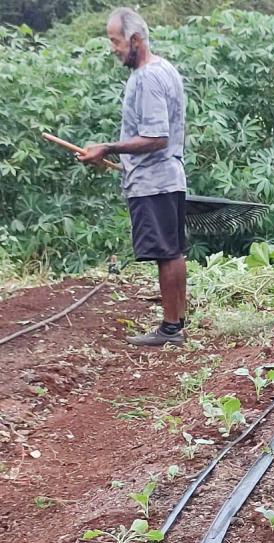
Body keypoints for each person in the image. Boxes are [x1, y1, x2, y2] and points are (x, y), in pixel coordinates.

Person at [79, 7, 188, 346]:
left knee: (166, 252)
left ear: (135, 40)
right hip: (164, 178)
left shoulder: (148, 78)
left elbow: (157, 137)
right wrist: (112, 155)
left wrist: (108, 148)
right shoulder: (164, 69)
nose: (113, 48)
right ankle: (176, 322)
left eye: (116, 41)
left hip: (155, 181)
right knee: (171, 251)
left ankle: (171, 329)